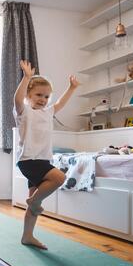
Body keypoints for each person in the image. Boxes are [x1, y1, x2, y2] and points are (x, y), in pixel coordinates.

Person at [13, 60, 80, 249]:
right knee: (59, 177)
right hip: (29, 159)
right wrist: (27, 78)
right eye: (38, 95)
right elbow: (17, 100)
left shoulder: (49, 112)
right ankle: (34, 202)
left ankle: (27, 235)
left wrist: (71, 88)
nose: (43, 99)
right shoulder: (24, 111)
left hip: (41, 159)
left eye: (46, 96)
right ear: (29, 95)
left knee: (34, 200)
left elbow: (60, 103)